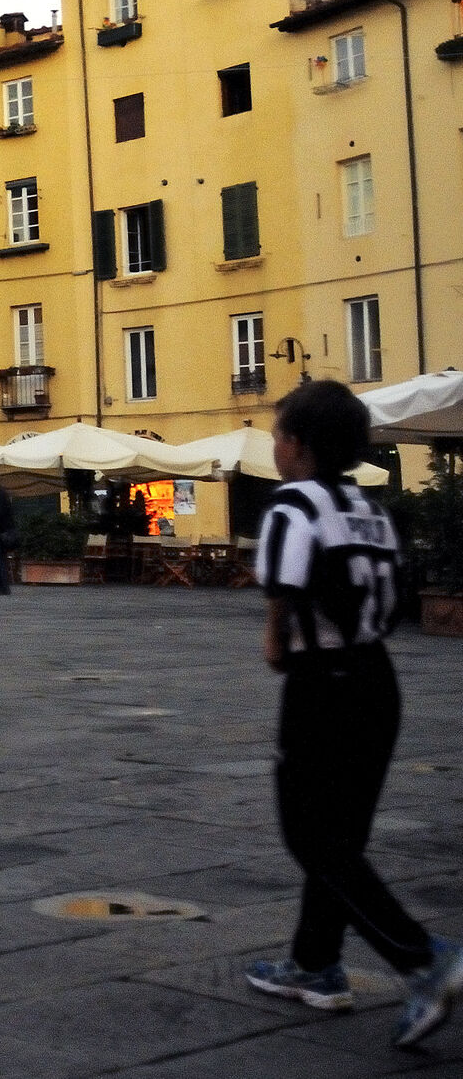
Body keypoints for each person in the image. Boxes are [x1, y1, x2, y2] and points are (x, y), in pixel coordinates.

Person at [243, 382, 461, 1047]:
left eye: (280, 436)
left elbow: (283, 584)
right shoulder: (371, 507)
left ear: (299, 447)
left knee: (312, 835)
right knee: (342, 837)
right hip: (377, 679)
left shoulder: (293, 502)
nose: (275, 448)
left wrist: (276, 639)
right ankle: (316, 964)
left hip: (322, 681)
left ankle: (423, 959)